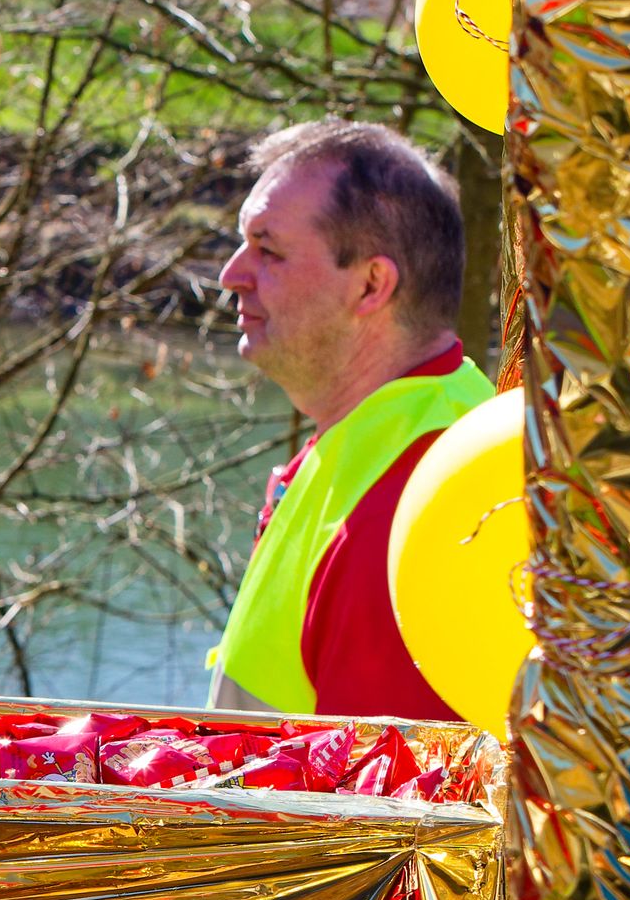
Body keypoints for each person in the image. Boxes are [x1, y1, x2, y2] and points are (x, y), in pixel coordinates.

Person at [209, 119, 494, 720]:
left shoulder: (411, 506)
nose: (231, 275)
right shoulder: (383, 432)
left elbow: (382, 810)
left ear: (371, 285)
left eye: (269, 250)